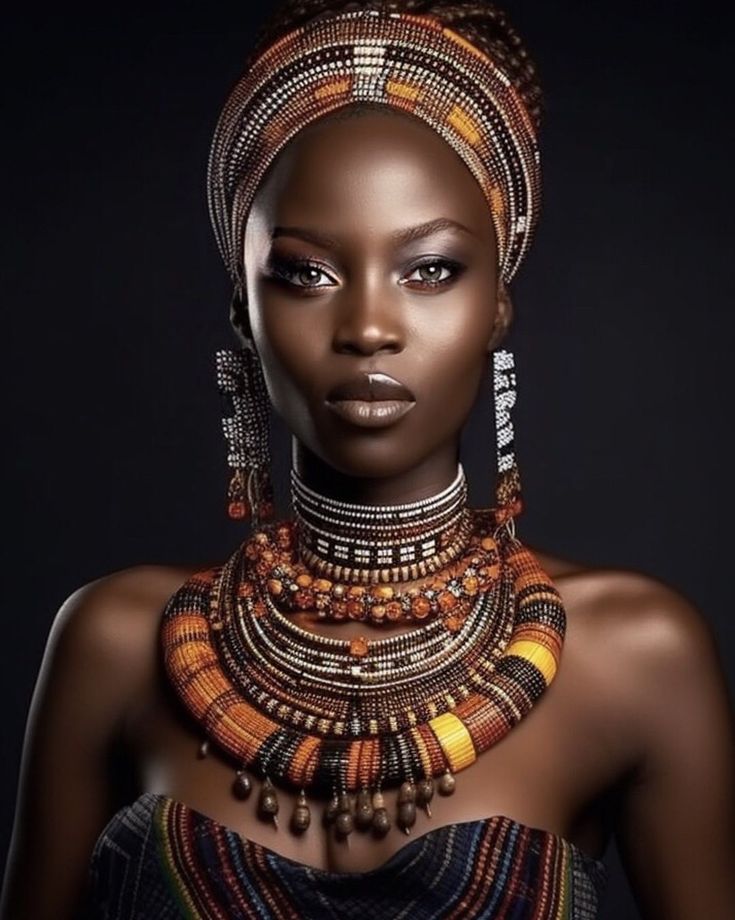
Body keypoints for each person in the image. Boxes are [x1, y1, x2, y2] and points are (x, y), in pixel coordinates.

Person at [2, 1, 734, 918]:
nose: (369, 328)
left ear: (497, 306)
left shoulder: (635, 655)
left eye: (429, 269)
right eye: (306, 273)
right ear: (243, 311)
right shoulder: (113, 644)